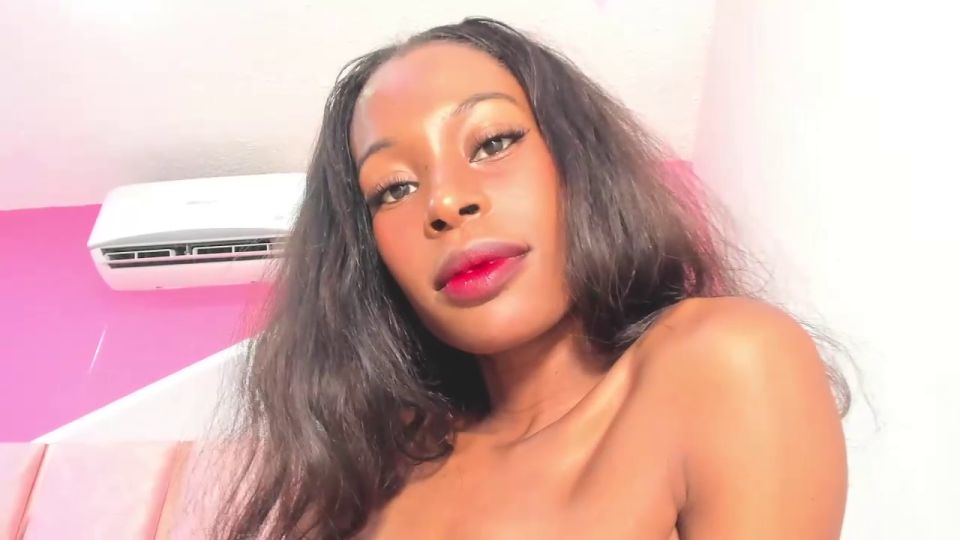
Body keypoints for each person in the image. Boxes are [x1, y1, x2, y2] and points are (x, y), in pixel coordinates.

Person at [213, 17, 849, 539]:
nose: (444, 203)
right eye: (394, 188)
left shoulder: (721, 361)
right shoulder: (375, 469)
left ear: (576, 163)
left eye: (492, 142)